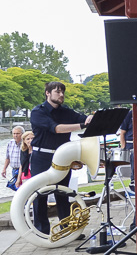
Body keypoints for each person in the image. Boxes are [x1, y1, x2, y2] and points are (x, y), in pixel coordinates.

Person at [29, 81, 93, 235]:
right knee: (40, 195)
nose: (61, 95)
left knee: (63, 194)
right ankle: (42, 233)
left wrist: (91, 117)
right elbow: (56, 128)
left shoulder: (67, 112)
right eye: (57, 92)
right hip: (42, 156)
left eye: (63, 92)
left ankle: (67, 230)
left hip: (62, 157)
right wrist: (82, 125)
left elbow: (84, 118)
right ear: (47, 93)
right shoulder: (38, 111)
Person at [3, 126, 24, 190]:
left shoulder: (25, 143)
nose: (15, 135)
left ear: (22, 134)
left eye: (17, 133)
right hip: (14, 170)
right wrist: (4, 169)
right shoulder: (10, 143)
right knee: (16, 187)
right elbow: (7, 157)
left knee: (23, 188)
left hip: (23, 170)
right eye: (14, 133)